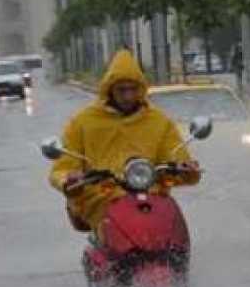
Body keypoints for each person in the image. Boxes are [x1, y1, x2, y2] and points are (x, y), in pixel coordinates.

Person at [48, 50, 201, 236]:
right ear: (109, 89)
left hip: (151, 196)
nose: (128, 96)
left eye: (133, 89)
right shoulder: (83, 122)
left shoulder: (159, 121)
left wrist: (187, 169)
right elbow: (62, 168)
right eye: (122, 90)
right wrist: (69, 180)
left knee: (173, 227)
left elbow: (176, 157)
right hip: (102, 197)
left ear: (141, 89)